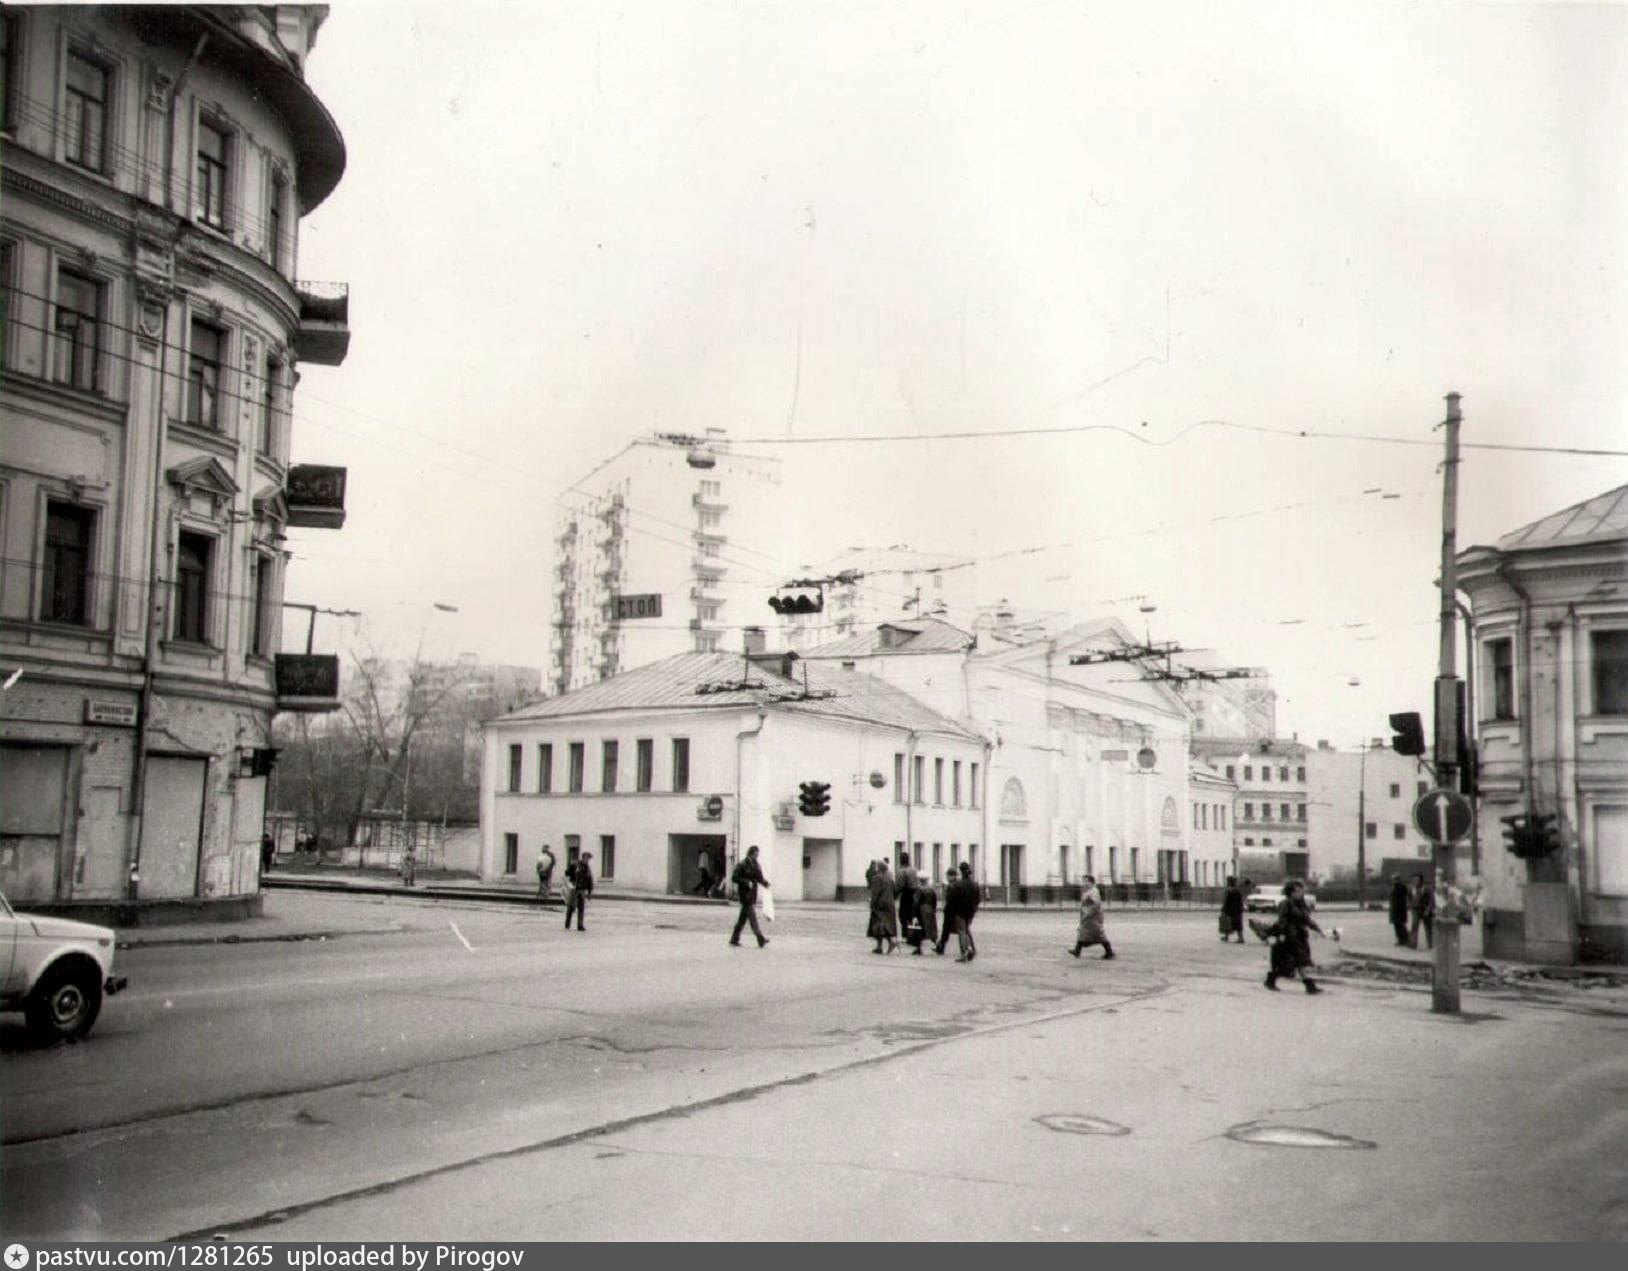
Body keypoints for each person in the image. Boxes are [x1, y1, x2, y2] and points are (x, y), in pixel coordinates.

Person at [1264, 878, 1325, 994]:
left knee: (1296, 962)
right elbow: (1282, 920)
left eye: (1301, 891)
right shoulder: (1285, 903)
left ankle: (1271, 980)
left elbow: (1307, 919)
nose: (1300, 893)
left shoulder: (1301, 905)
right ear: (1290, 893)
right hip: (1289, 937)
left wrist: (1318, 929)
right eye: (1297, 891)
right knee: (1293, 961)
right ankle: (1310, 986)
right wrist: (1281, 934)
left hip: (1299, 936)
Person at [729, 845, 770, 948]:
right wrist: (746, 882)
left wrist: (766, 883)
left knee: (742, 919)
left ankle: (734, 939)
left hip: (752, 895)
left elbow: (759, 878)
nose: (756, 857)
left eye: (757, 855)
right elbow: (734, 877)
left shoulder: (756, 865)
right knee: (753, 919)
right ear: (750, 853)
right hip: (745, 895)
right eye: (755, 854)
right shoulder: (742, 864)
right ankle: (761, 939)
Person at [1068, 874, 1115, 960]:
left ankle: (1109, 952)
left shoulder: (1094, 891)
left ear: (1090, 882)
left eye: (1085, 881)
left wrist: (1089, 913)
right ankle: (1077, 950)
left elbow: (1096, 904)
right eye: (1083, 881)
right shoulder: (1089, 891)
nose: (1083, 883)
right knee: (1083, 933)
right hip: (1088, 917)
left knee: (1099, 934)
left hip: (1092, 917)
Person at [868, 859, 899, 954]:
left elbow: (875, 893)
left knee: (879, 925)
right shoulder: (889, 878)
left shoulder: (877, 878)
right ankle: (883, 945)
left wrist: (872, 903)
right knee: (887, 924)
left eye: (876, 866)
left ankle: (883, 945)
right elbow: (895, 892)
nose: (875, 868)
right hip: (890, 904)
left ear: (879, 868)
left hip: (880, 905)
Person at [564, 851, 593, 931]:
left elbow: (590, 880)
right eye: (586, 858)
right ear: (583, 858)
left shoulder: (587, 868)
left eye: (589, 859)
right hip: (574, 888)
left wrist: (590, 892)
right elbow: (567, 873)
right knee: (571, 906)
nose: (587, 860)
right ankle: (567, 923)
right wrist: (572, 872)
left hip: (582, 889)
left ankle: (580, 925)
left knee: (581, 907)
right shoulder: (575, 865)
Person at [897, 856, 921, 946]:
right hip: (916, 893)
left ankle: (906, 935)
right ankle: (914, 935)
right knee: (913, 914)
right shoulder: (914, 869)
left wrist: (895, 894)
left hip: (907, 893)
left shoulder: (903, 871)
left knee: (903, 915)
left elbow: (900, 884)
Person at [912, 876, 938, 954]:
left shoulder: (919, 889)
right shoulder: (931, 889)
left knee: (919, 928)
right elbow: (934, 900)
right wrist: (933, 909)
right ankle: (937, 944)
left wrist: (914, 914)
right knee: (931, 928)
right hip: (930, 909)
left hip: (922, 909)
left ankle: (918, 948)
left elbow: (916, 903)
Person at [1410, 872, 1436, 950]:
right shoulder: (1411, 889)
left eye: (1417, 880)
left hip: (1425, 910)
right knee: (1414, 926)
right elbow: (1409, 898)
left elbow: (1431, 900)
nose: (1415, 881)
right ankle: (1413, 943)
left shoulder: (1427, 889)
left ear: (1421, 881)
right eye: (1414, 880)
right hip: (1416, 910)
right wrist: (1410, 905)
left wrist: (1428, 909)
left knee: (1428, 928)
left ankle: (1431, 944)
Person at [1220, 875, 1245, 943]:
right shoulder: (1237, 890)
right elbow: (1241, 900)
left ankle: (1227, 937)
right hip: (1238, 909)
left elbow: (1225, 900)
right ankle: (1240, 937)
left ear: (1228, 882)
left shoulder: (1228, 890)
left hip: (1229, 909)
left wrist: (1223, 908)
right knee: (1238, 923)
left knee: (1227, 922)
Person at [1389, 875, 1411, 947]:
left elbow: (1404, 897)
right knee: (1399, 925)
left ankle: (1404, 939)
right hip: (1397, 909)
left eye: (1394, 879)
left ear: (1398, 879)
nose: (1393, 881)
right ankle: (1403, 939)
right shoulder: (1398, 887)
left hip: (1398, 909)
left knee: (1399, 925)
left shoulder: (1400, 887)